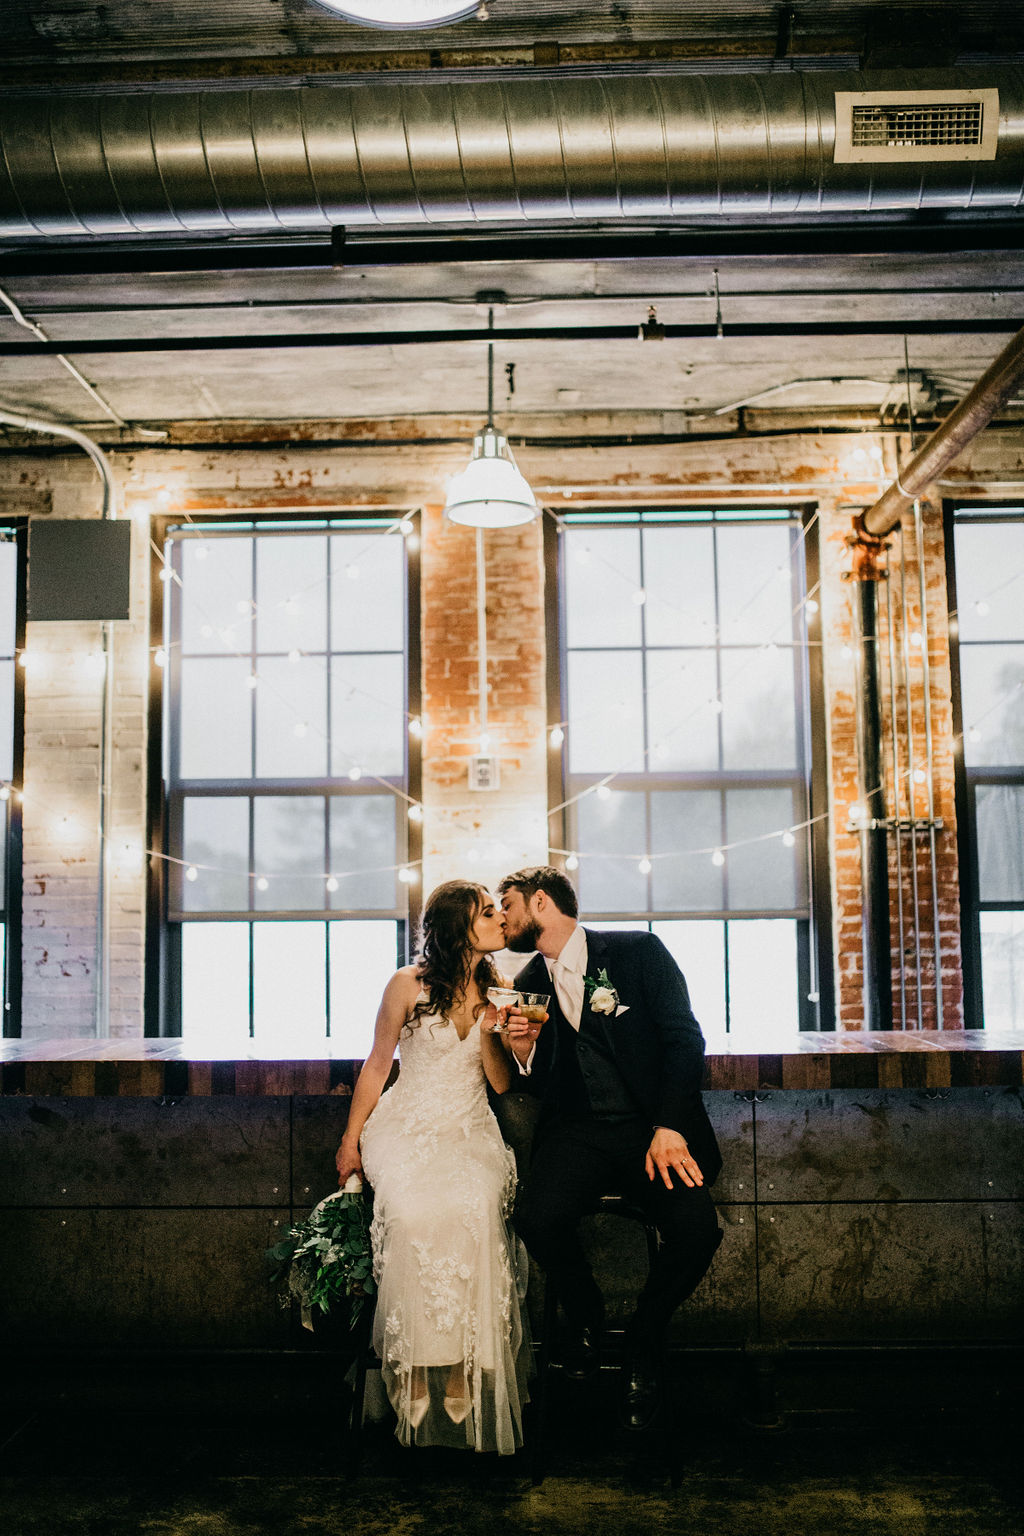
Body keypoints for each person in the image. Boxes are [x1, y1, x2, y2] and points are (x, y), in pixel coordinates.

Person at [496, 865, 723, 1431]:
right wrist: (522, 1052)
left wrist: (669, 1126)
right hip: (578, 1134)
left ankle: (644, 1337)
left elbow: (684, 1038)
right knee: (536, 1217)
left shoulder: (638, 951)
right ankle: (587, 1312)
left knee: (699, 1231)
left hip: (651, 1130)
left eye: (508, 904)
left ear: (541, 902)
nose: (502, 917)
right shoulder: (525, 980)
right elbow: (536, 1080)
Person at [335, 880, 530, 1455]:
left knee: (472, 1213)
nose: (500, 919)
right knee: (415, 1216)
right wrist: (351, 1140)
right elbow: (375, 1066)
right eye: (488, 912)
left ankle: (463, 1367)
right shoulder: (406, 984)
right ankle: (415, 1365)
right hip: (407, 1127)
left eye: (499, 910)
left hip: (471, 1130)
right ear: (457, 926)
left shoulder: (504, 988)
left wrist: (498, 1030)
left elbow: (499, 1083)